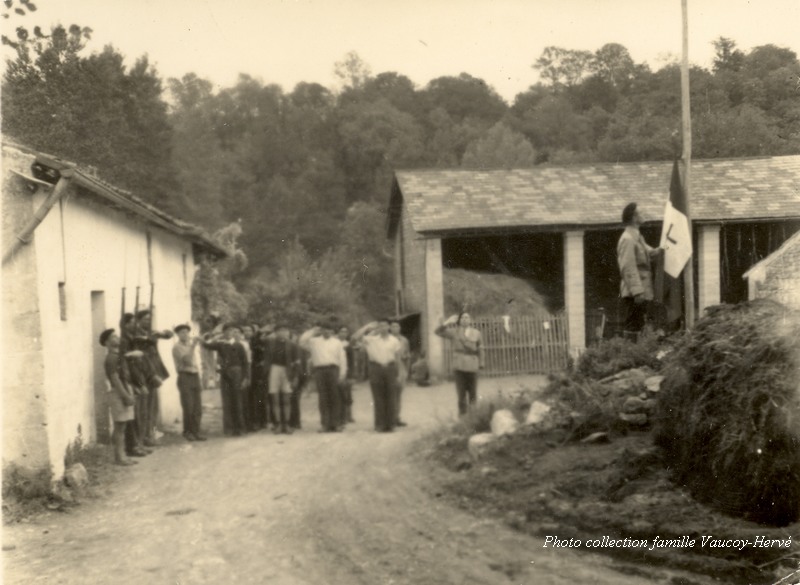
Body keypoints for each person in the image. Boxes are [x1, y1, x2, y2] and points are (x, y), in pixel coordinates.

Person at [617, 202, 661, 340]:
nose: (644, 215)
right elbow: (627, 266)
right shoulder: (628, 239)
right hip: (635, 293)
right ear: (634, 217)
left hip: (643, 291)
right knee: (633, 326)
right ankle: (630, 356)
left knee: (640, 324)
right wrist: (637, 291)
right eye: (641, 212)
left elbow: (651, 254)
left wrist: (666, 247)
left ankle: (636, 355)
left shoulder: (637, 237)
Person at [352, 319, 403, 433]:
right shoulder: (371, 340)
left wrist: (399, 373)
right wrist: (367, 327)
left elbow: (398, 358)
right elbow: (354, 338)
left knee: (391, 396)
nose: (382, 328)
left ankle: (390, 425)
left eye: (385, 326)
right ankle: (380, 424)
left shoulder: (394, 341)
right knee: (378, 397)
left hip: (390, 368)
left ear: (389, 327)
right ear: (377, 328)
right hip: (376, 368)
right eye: (380, 326)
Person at [133, 309, 174, 446]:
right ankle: (143, 436)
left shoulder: (151, 332)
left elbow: (169, 334)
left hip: (154, 370)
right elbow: (141, 345)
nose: (148, 322)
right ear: (138, 320)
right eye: (145, 319)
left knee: (152, 405)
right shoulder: (136, 334)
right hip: (144, 371)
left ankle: (150, 433)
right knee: (144, 406)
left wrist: (162, 333)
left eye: (149, 319)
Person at [299, 319, 347, 433]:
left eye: (330, 330)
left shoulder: (337, 342)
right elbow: (301, 341)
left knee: (335, 397)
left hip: (333, 370)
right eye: (325, 330)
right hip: (319, 370)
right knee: (323, 398)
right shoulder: (314, 341)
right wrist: (313, 330)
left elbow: (342, 359)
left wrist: (342, 373)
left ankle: (335, 424)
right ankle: (325, 424)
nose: (327, 332)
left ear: (332, 331)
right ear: (322, 331)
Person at [202, 324, 249, 436]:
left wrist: (244, 378)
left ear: (234, 332)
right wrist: (207, 337)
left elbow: (245, 363)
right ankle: (229, 429)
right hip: (225, 373)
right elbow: (206, 345)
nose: (229, 333)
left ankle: (240, 428)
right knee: (227, 400)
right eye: (227, 331)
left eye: (231, 331)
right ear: (223, 333)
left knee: (237, 401)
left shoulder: (239, 345)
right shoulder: (220, 344)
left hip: (237, 373)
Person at [435, 312, 484, 416]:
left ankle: (473, 418)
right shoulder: (454, 332)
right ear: (459, 321)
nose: (465, 319)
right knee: (461, 395)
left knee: (473, 394)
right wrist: (447, 322)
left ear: (470, 320)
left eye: (467, 317)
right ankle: (462, 419)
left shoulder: (477, 333)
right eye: (462, 318)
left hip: (472, 365)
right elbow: (437, 332)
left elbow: (481, 348)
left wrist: (481, 363)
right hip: (459, 366)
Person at [100, 328, 137, 466]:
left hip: (124, 391)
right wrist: (126, 396)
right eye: (113, 337)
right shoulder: (111, 358)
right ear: (107, 342)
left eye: (116, 335)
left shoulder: (118, 355)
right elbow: (115, 379)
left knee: (123, 426)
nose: (117, 338)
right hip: (118, 393)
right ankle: (119, 457)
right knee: (120, 426)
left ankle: (122, 455)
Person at [119, 313, 151, 458]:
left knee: (139, 415)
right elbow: (125, 362)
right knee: (133, 416)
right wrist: (137, 383)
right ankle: (133, 446)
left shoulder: (132, 338)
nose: (134, 325)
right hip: (131, 380)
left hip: (137, 377)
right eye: (131, 323)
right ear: (125, 325)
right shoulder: (124, 340)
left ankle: (138, 443)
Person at [171, 324, 206, 442]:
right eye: (182, 332)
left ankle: (196, 432)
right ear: (178, 335)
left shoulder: (190, 345)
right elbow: (186, 360)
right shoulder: (177, 347)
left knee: (197, 407)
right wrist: (193, 345)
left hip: (194, 376)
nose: (185, 334)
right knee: (188, 406)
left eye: (186, 332)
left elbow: (195, 363)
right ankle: (188, 432)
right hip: (184, 376)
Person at [266, 324, 301, 434]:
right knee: (275, 398)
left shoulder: (292, 345)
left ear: (288, 332)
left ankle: (287, 424)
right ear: (275, 332)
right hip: (274, 370)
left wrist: (295, 376)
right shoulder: (270, 343)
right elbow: (267, 359)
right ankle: (278, 424)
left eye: (285, 330)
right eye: (280, 331)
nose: (283, 333)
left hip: (287, 370)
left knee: (286, 398)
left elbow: (297, 362)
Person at [390, 320, 411, 426]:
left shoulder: (404, 340)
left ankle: (397, 418)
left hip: (401, 367)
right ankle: (390, 418)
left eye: (397, 326)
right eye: (393, 326)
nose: (395, 328)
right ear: (390, 328)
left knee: (398, 394)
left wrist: (406, 370)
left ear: (400, 328)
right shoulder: (387, 340)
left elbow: (407, 355)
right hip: (390, 367)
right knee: (390, 393)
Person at [337, 325, 356, 425]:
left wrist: (351, 376)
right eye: (341, 331)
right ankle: (339, 416)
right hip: (335, 372)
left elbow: (352, 362)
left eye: (345, 332)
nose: (343, 334)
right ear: (338, 333)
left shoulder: (348, 346)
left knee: (347, 394)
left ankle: (348, 415)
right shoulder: (334, 344)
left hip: (346, 373)